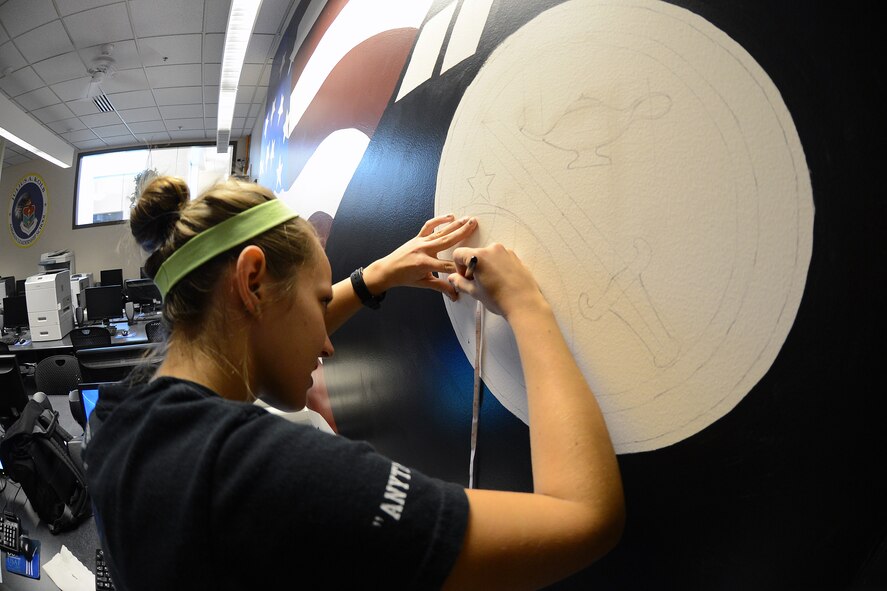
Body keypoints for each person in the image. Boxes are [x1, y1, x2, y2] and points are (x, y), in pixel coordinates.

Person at [84, 176, 624, 590]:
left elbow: (254, 342)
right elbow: (585, 518)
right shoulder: (278, 474)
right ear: (251, 282)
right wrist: (526, 305)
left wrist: (372, 279)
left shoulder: (114, 422)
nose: (327, 345)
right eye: (320, 302)